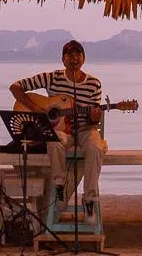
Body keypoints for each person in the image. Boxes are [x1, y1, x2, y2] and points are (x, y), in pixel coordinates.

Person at [10, 40, 105, 213]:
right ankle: (60, 186)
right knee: (54, 140)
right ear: (63, 59)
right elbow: (15, 87)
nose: (74, 59)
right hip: (62, 131)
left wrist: (94, 117)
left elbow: (92, 120)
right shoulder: (52, 78)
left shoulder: (94, 84)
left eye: (78, 55)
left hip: (85, 130)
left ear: (84, 58)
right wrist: (35, 108)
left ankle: (90, 199)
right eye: (69, 55)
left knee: (96, 147)